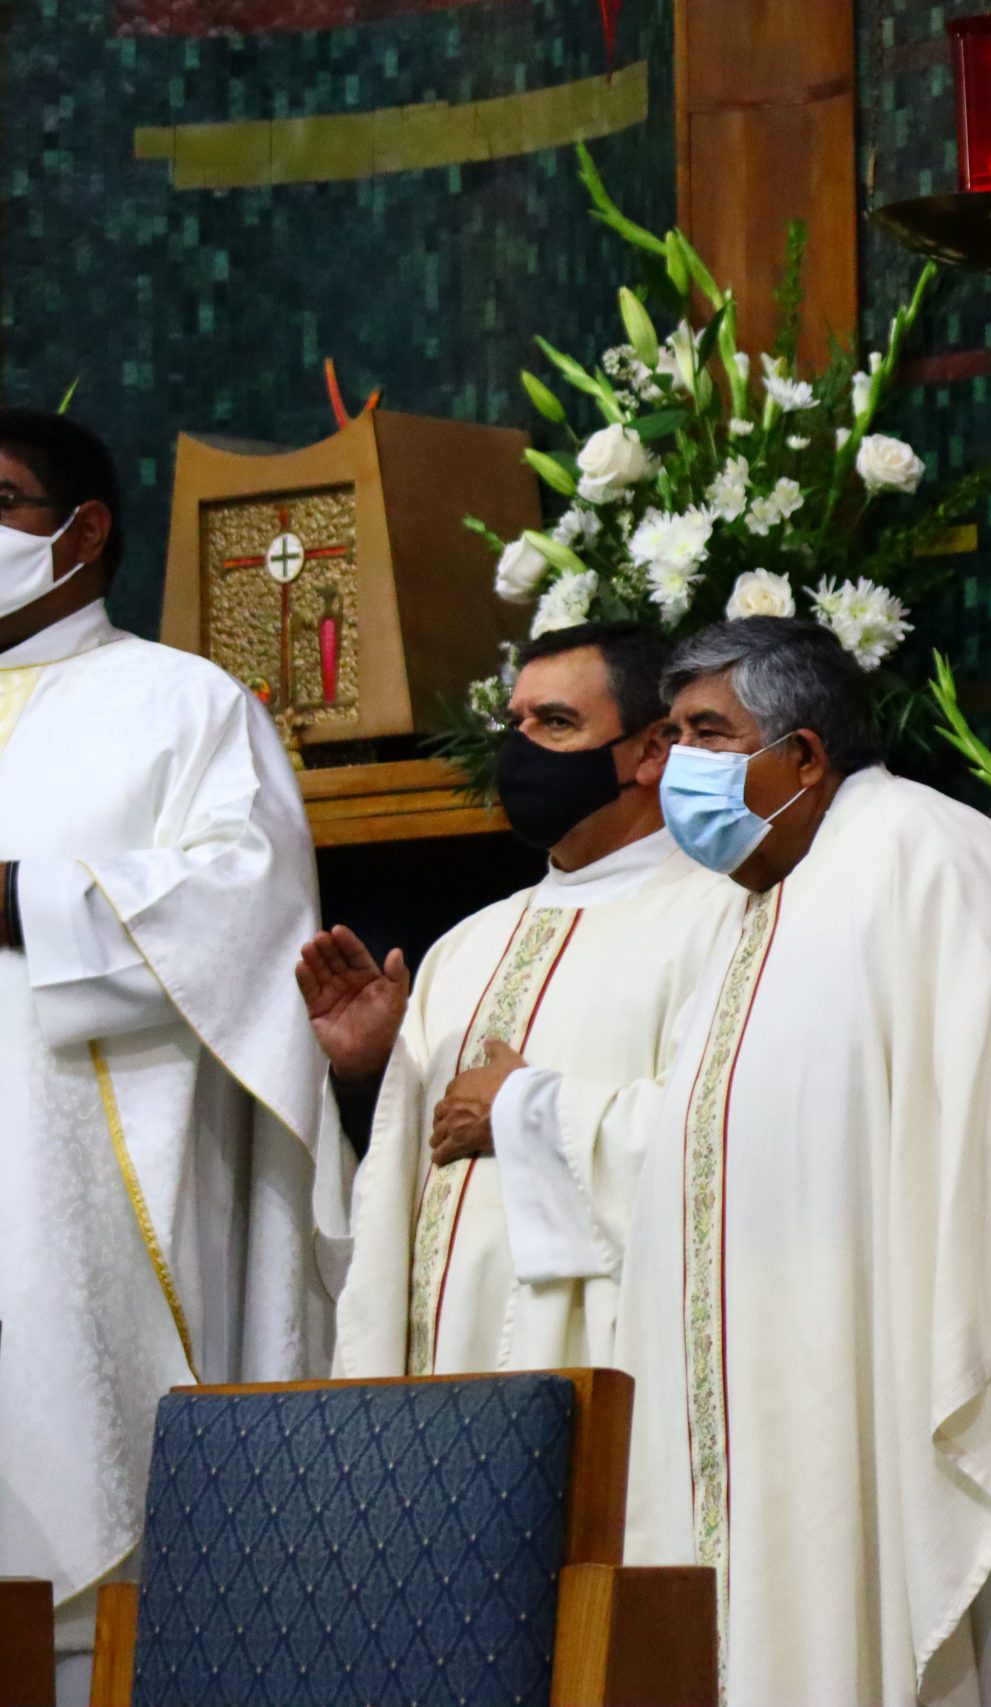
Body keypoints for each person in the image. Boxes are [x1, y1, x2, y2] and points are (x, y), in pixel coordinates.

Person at [610, 617, 991, 1707]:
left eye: (708, 733)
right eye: (668, 735)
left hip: (924, 1403)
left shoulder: (931, 859)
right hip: (770, 1404)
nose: (674, 767)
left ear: (804, 755)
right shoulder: (742, 912)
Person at [0, 407, 350, 1705]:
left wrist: (22, 901)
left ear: (84, 533)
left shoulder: (183, 702)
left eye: (1, 496)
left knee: (94, 1532)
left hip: (88, 1180)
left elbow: (246, 902)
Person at [306, 621, 743, 1377]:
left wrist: (526, 1109)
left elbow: (731, 1143)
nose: (523, 747)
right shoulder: (466, 947)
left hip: (613, 1366)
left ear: (652, 751)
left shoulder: (721, 921)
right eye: (517, 722)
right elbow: (397, 1191)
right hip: (443, 1372)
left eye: (558, 723)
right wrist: (372, 1074)